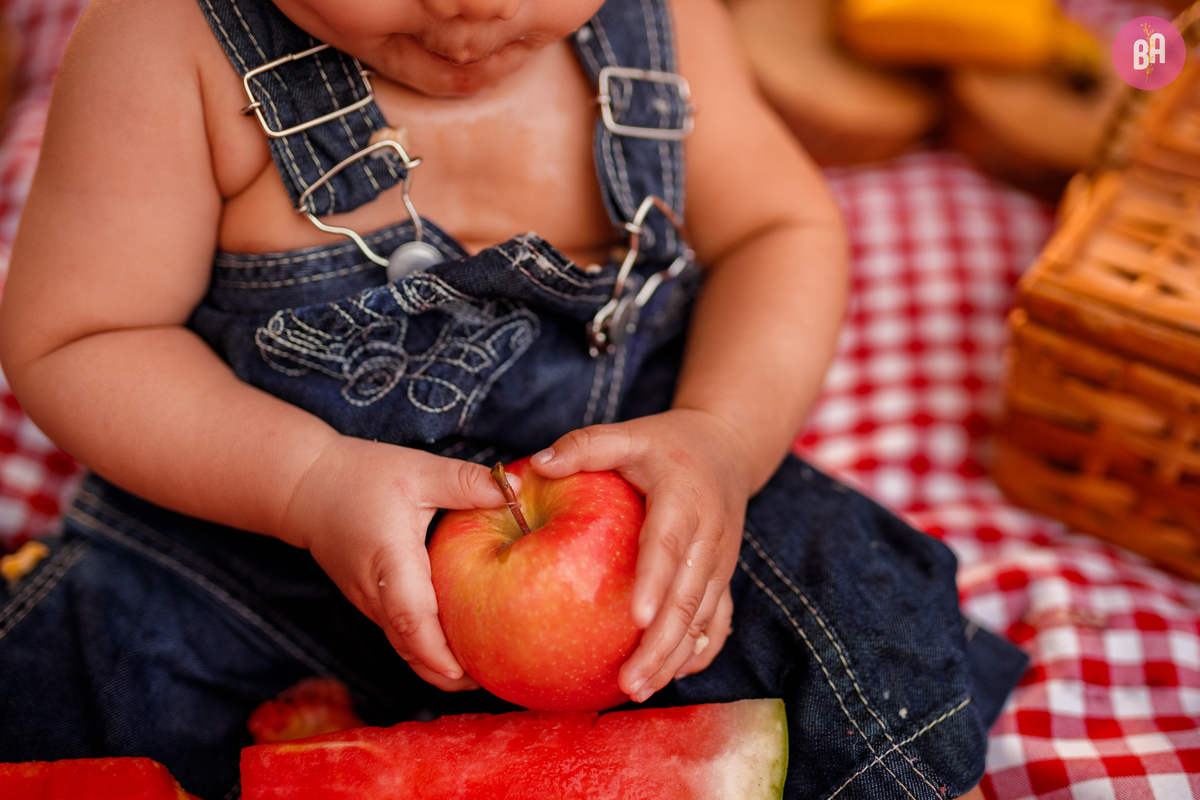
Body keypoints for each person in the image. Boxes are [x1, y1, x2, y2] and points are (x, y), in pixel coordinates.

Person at [0, 0, 1026, 797]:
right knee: (64, 672)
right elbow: (82, 336)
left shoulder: (661, 26)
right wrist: (306, 478)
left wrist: (721, 435)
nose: (470, 6)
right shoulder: (166, 49)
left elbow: (779, 232)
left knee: (851, 628)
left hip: (630, 523)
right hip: (248, 546)